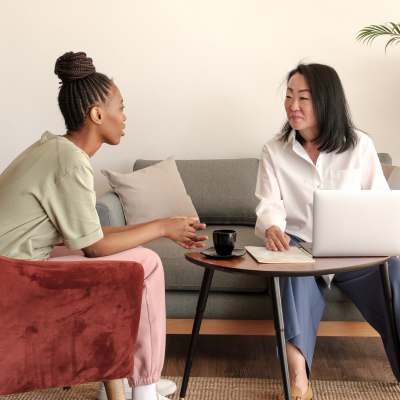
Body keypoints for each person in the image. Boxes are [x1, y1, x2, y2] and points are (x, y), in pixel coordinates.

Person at [0, 51, 208, 400]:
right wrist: (160, 229)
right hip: (13, 280)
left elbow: (88, 237)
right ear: (97, 114)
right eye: (121, 107)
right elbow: (95, 249)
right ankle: (144, 390)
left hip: (15, 267)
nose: (125, 117)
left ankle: (123, 377)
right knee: (146, 264)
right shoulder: (71, 162)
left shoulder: (53, 149)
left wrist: (162, 224)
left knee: (134, 255)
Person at [255, 62, 400, 400]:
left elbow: (379, 203)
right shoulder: (273, 150)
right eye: (289, 96)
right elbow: (267, 204)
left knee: (396, 272)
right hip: (300, 250)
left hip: (354, 253)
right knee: (286, 272)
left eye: (303, 98)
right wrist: (273, 226)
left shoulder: (360, 145)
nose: (293, 106)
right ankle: (298, 383)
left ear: (326, 100)